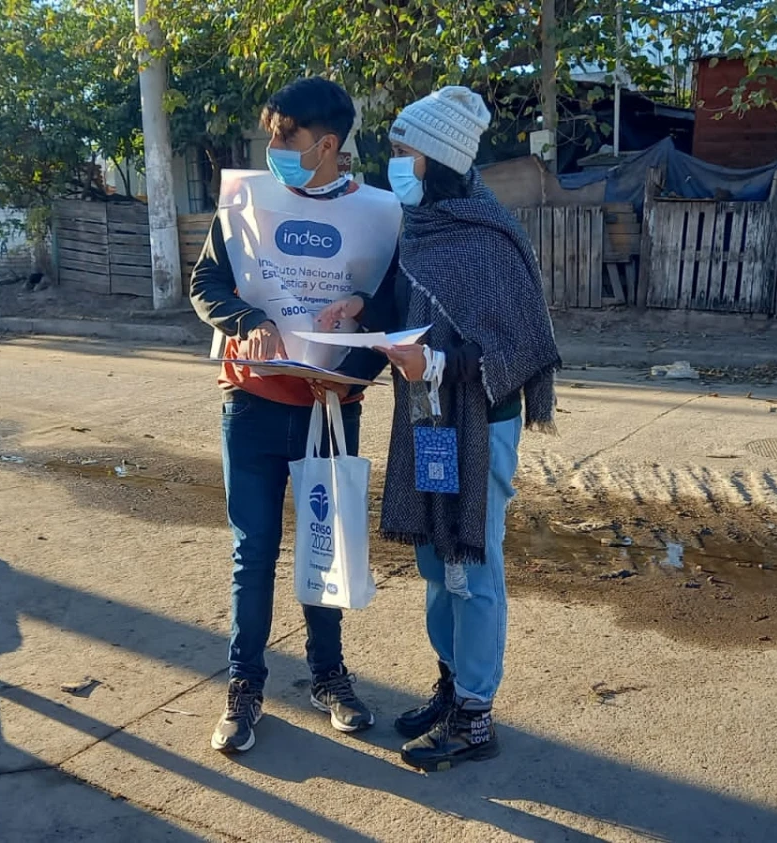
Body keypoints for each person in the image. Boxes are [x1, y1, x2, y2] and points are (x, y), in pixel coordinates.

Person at [319, 86, 560, 772]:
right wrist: (361, 304)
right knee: (436, 558)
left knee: (472, 565)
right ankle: (452, 685)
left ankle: (476, 714)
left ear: (441, 160)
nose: (394, 164)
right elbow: (404, 296)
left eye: (404, 153)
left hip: (481, 422)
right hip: (430, 423)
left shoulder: (489, 239)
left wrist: (440, 361)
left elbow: (521, 351)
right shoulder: (419, 225)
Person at [190, 78, 401, 754]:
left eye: (286, 135)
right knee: (253, 554)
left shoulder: (380, 214)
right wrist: (246, 319)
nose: (272, 145)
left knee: (325, 546)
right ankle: (244, 686)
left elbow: (396, 311)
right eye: (271, 132)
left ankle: (329, 676)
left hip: (330, 410)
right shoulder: (245, 202)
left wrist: (354, 376)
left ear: (329, 144)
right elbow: (205, 285)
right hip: (250, 404)